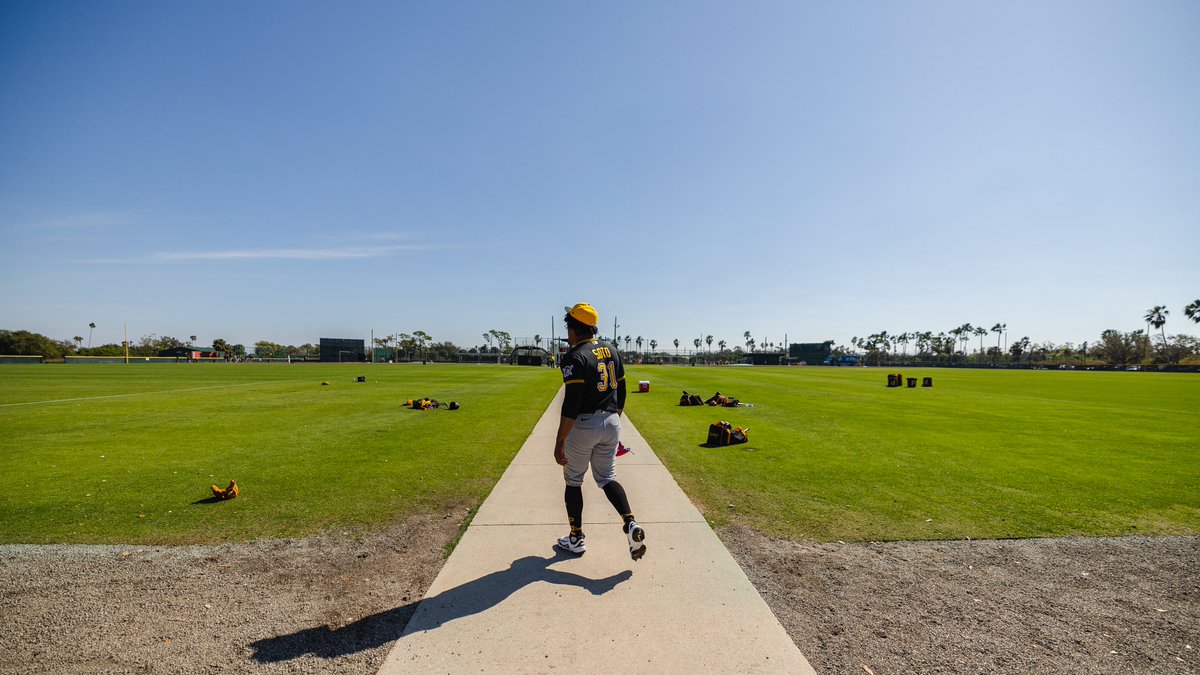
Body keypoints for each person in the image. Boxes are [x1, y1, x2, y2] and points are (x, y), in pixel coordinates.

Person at [553, 302, 646, 561]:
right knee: (606, 478)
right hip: (611, 421)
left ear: (574, 328)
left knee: (573, 480)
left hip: (584, 424)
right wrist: (613, 421)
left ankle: (576, 538)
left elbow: (571, 403)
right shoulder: (612, 350)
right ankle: (630, 523)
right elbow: (622, 391)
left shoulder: (575, 356)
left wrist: (560, 440)